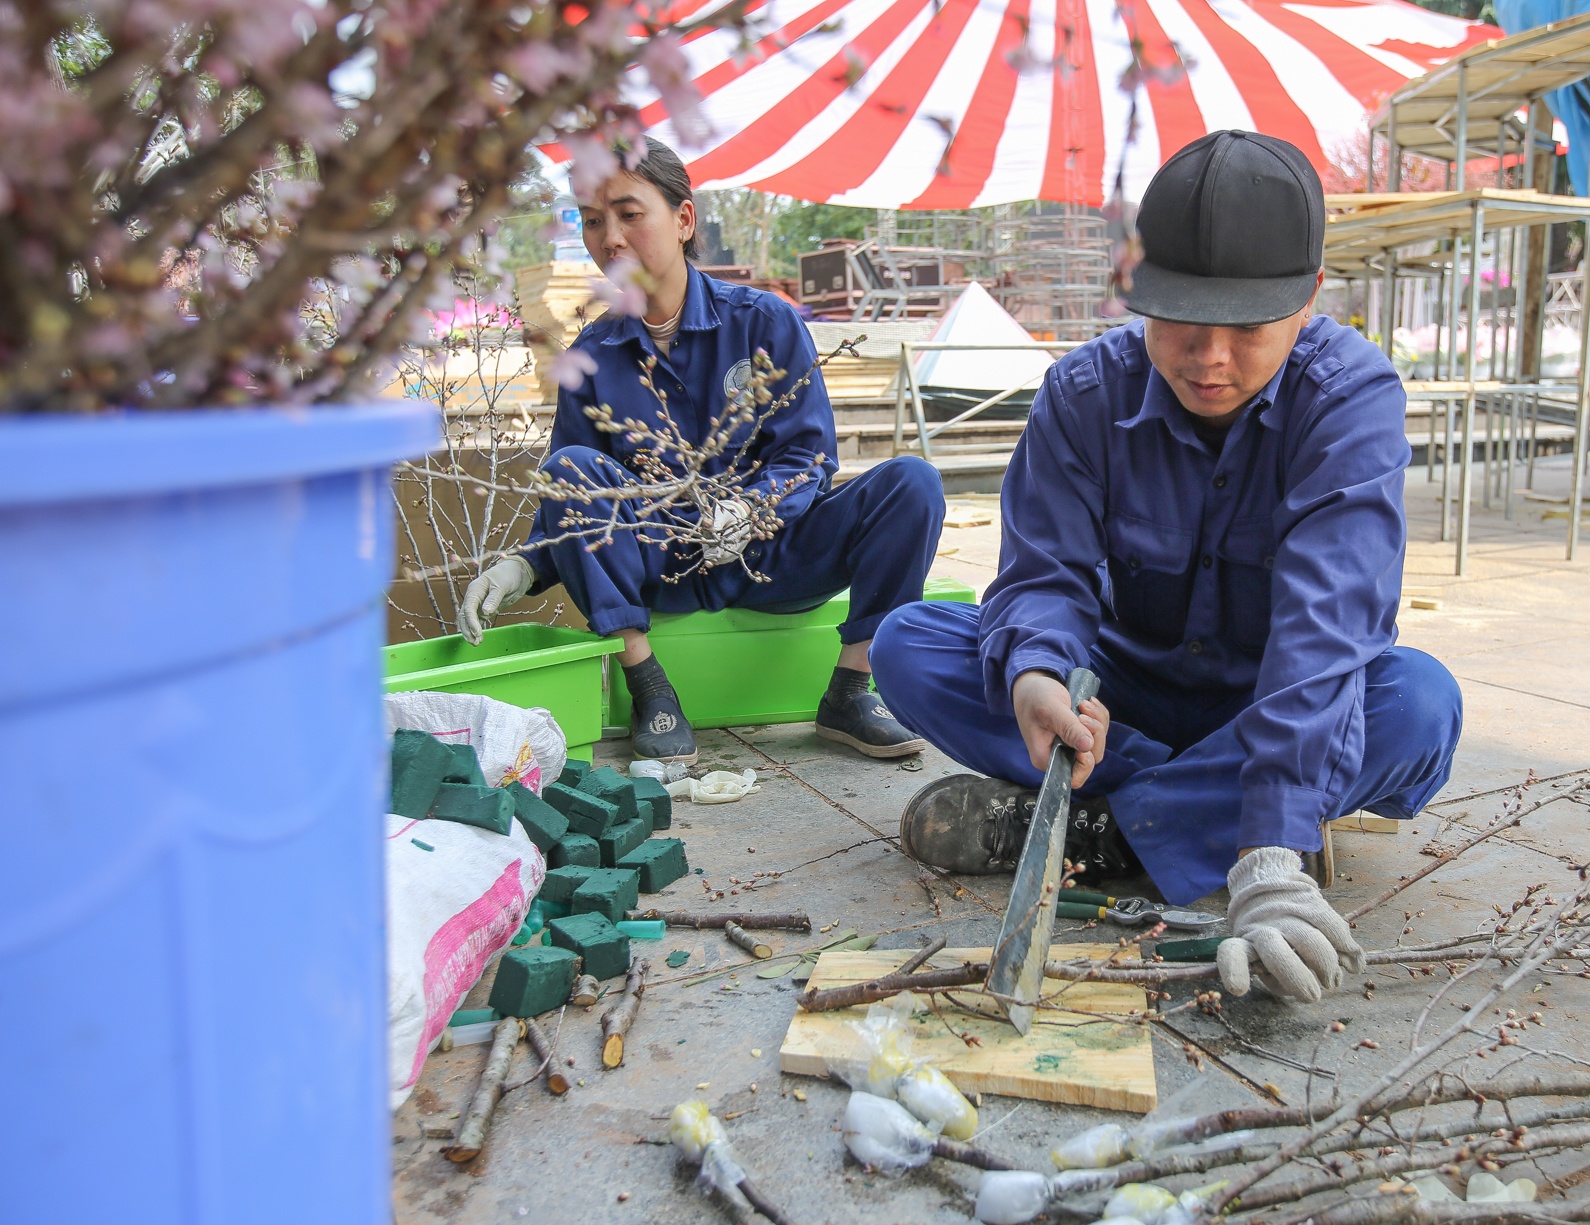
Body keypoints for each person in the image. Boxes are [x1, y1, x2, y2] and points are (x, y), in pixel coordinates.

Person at [869, 131, 1463, 1005]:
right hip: (1119, 701)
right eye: (1181, 318)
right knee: (909, 643)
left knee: (1416, 705)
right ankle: (1189, 820)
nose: (1209, 357)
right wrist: (1040, 676)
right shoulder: (1081, 396)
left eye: (1247, 327)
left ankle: (1106, 834)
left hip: (1277, 701)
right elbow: (1044, 575)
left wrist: (1269, 857)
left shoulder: (1349, 400)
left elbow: (1327, 629)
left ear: (1307, 302)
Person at [458, 139, 943, 763]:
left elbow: (808, 459)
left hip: (776, 552)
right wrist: (523, 567)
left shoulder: (764, 324)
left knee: (912, 483)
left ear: (684, 220)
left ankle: (850, 690)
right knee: (569, 469)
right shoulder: (594, 354)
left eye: (630, 214)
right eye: (593, 220)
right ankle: (651, 688)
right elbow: (576, 490)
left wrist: (752, 508)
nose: (610, 238)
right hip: (665, 560)